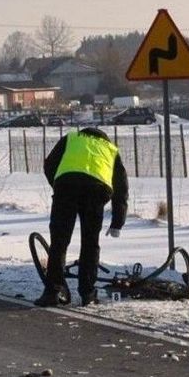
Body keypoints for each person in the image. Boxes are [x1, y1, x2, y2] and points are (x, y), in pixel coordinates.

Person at [36, 127, 128, 307]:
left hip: (67, 187)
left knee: (59, 241)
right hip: (96, 191)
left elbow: (49, 164)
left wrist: (57, 184)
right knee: (90, 242)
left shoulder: (71, 138)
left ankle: (52, 292)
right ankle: (87, 293)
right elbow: (121, 187)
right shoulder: (110, 149)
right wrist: (118, 221)